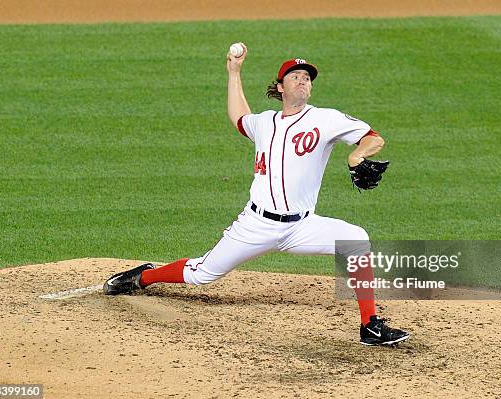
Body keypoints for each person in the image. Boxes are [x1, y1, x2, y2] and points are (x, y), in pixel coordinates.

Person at [103, 43, 410, 346]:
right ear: (280, 87)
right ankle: (144, 277)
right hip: (255, 225)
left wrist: (356, 157)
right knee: (203, 274)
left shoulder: (326, 119)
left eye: (307, 78)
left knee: (356, 239)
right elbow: (240, 119)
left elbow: (373, 138)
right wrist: (234, 72)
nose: (303, 80)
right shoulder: (264, 122)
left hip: (301, 227)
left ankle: (370, 326)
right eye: (295, 76)